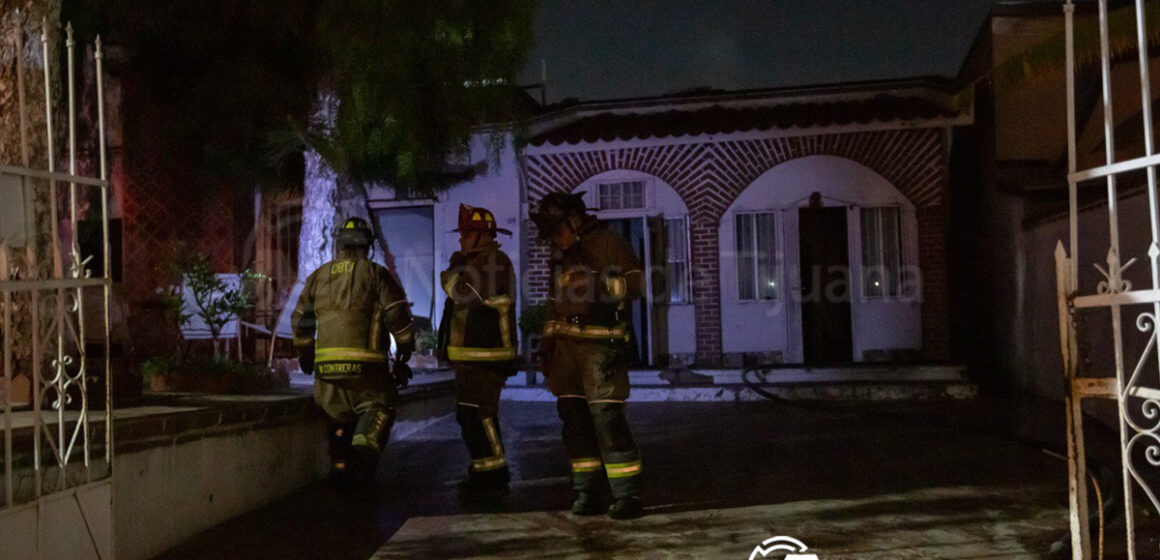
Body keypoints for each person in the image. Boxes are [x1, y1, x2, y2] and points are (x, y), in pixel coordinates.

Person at [529, 191, 646, 520]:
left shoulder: (610, 244)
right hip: (567, 355)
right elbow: (554, 305)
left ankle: (627, 495)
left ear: (573, 220)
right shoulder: (562, 256)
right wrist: (547, 349)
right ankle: (587, 492)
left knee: (608, 422)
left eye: (557, 231)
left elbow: (636, 286)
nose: (555, 239)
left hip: (601, 349)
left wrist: (609, 283)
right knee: (574, 423)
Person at [291, 217, 415, 480]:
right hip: (367, 372)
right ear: (367, 246)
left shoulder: (318, 276)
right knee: (379, 408)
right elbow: (396, 314)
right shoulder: (376, 273)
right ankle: (363, 451)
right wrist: (406, 345)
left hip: (326, 373)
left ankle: (339, 463)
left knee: (337, 420)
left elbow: (300, 319)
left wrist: (305, 354)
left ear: (339, 244)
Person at [437, 204, 519, 510]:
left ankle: (494, 472)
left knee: (479, 414)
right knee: (470, 415)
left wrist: (449, 274)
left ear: (482, 236)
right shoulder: (476, 262)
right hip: (471, 356)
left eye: (467, 234)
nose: (461, 241)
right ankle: (483, 468)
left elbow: (462, 292)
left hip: (487, 355)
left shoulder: (494, 261)